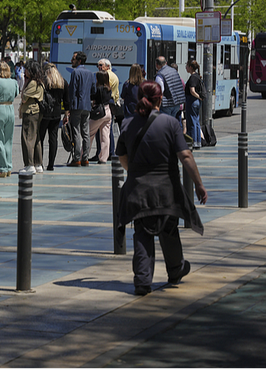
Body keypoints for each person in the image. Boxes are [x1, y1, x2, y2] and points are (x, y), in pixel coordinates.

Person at [116, 81, 207, 296]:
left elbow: (122, 157)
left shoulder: (127, 124)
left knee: (142, 232)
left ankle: (142, 281)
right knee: (168, 228)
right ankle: (175, 270)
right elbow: (185, 155)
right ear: (160, 99)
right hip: (167, 189)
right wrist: (198, 184)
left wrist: (136, 172)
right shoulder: (170, 123)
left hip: (138, 190)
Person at [64, 51, 96, 167]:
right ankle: (85, 158)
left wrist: (69, 107)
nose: (71, 61)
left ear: (79, 61)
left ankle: (77, 158)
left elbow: (72, 91)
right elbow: (93, 90)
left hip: (77, 106)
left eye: (74, 59)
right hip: (87, 106)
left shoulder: (75, 72)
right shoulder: (90, 73)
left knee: (76, 132)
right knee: (86, 132)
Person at [39, 63, 70, 171]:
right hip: (56, 113)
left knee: (40, 138)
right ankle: (51, 164)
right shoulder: (62, 82)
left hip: (44, 113)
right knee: (53, 139)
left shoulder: (44, 81)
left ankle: (40, 163)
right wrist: (66, 114)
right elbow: (66, 100)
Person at [18, 60, 45, 174]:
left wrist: (25, 83)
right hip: (37, 112)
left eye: (27, 70)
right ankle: (38, 163)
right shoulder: (40, 81)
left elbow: (23, 97)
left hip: (30, 112)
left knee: (27, 138)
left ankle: (29, 165)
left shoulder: (32, 83)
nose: (25, 72)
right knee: (36, 138)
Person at [88, 71, 113, 164]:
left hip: (99, 112)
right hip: (108, 111)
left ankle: (83, 155)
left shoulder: (98, 89)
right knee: (105, 135)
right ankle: (103, 158)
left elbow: (92, 97)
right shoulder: (109, 88)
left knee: (89, 134)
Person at [185, 60, 204, 149]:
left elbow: (192, 91)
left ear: (190, 67)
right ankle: (198, 142)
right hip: (196, 102)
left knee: (191, 121)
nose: (186, 68)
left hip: (192, 101)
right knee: (196, 121)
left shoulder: (193, 77)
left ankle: (193, 142)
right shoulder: (197, 76)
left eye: (187, 66)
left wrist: (198, 96)